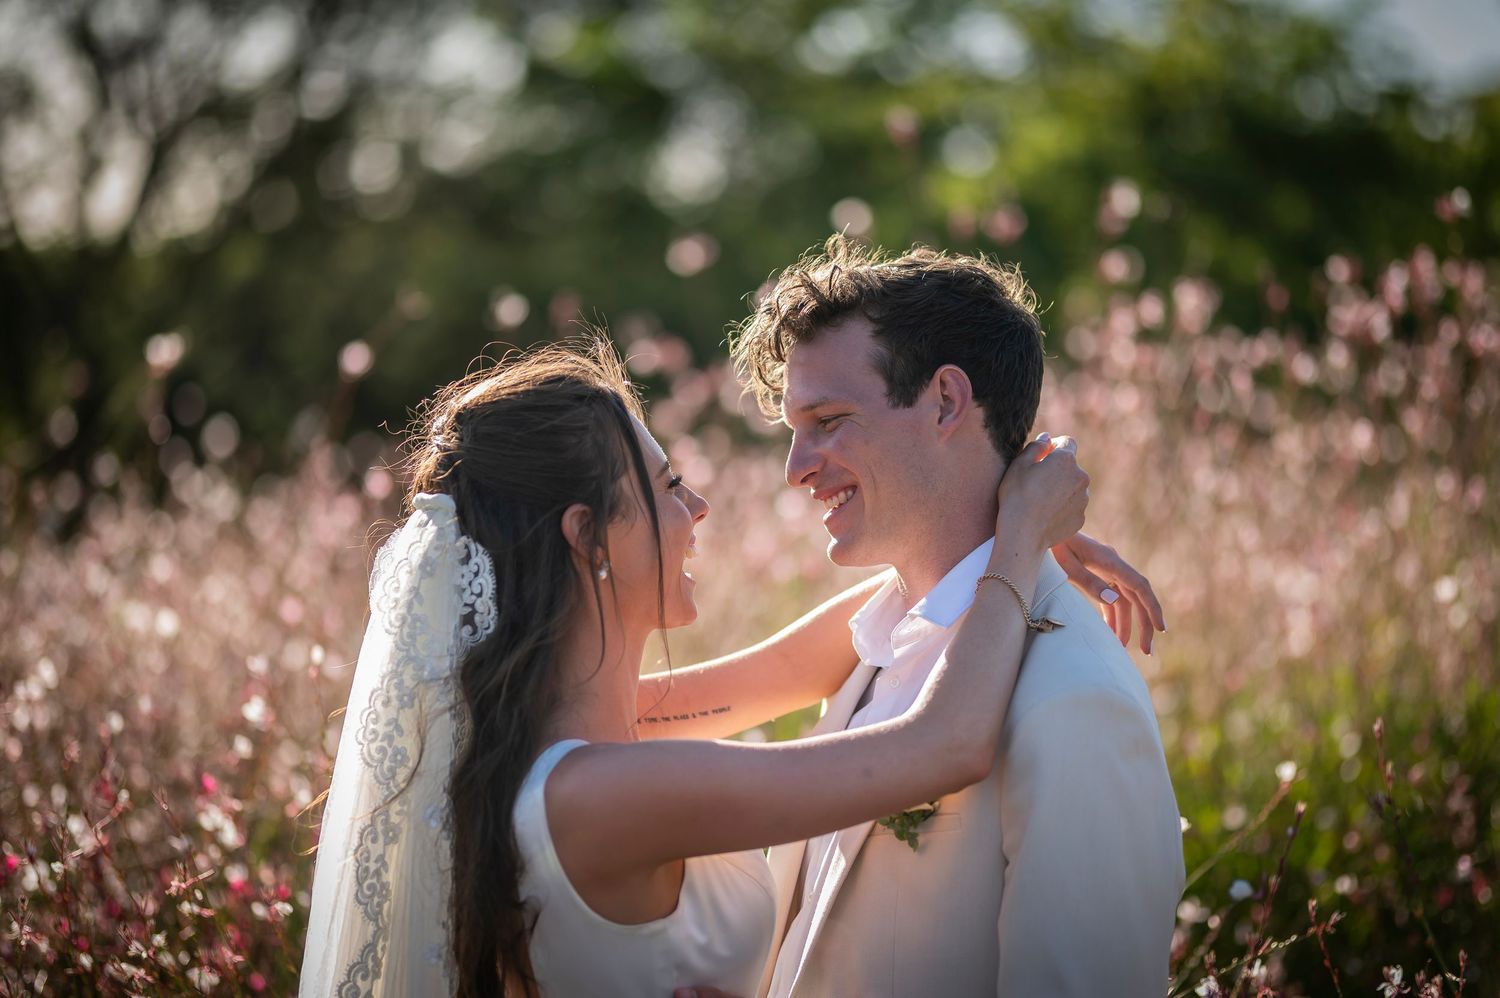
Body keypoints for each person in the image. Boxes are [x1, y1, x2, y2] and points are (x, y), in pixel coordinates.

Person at [298, 338, 1098, 997]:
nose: (697, 511)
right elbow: (944, 748)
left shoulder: (550, 731)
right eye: (667, 487)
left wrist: (987, 522)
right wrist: (1022, 539)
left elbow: (801, 664)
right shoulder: (600, 796)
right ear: (588, 537)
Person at [722, 235, 1185, 998]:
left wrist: (1026, 536)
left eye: (829, 420)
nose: (795, 468)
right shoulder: (872, 644)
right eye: (793, 431)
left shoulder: (1076, 702)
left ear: (945, 400)